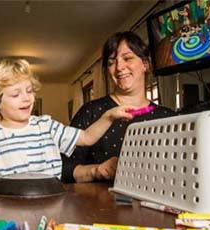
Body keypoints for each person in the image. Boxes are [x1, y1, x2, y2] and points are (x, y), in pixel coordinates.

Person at [0, 58, 134, 183]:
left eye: (29, 90)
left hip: (50, 202)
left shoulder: (46, 125)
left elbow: (86, 137)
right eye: (16, 94)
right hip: (4, 207)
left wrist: (108, 117)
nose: (27, 98)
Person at [61, 31, 176, 183]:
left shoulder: (169, 117)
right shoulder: (91, 111)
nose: (119, 67)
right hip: (100, 205)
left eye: (127, 58)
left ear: (145, 64)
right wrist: (96, 170)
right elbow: (62, 167)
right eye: (111, 62)